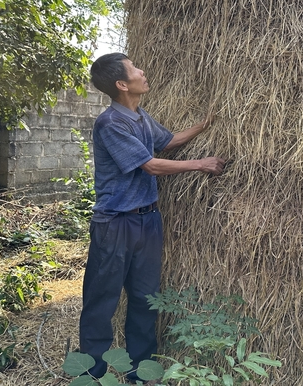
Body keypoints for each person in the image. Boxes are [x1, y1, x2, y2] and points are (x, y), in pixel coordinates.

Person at [79, 52, 225, 381]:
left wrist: (204, 125)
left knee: (147, 299)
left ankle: (141, 372)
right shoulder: (110, 123)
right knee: (102, 299)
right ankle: (91, 373)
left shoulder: (140, 116)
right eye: (135, 70)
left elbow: (168, 142)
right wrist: (201, 164)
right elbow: (150, 164)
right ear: (121, 84)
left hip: (147, 221)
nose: (143, 71)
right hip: (115, 224)